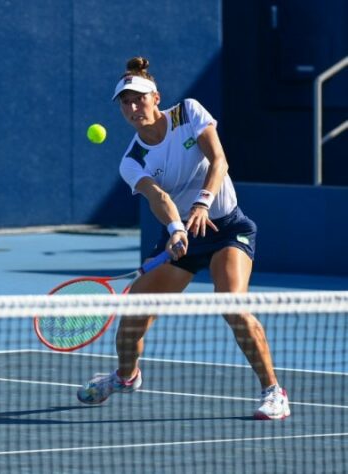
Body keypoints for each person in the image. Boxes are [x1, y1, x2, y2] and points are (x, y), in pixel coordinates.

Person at [76, 57, 290, 420]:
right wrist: (176, 229)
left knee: (231, 304)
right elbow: (158, 197)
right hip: (183, 237)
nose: (132, 107)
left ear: (155, 97)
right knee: (133, 317)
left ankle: (274, 392)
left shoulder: (188, 113)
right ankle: (126, 377)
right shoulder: (132, 159)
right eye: (125, 103)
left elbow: (219, 160)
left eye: (138, 99)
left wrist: (203, 204)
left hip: (226, 227)